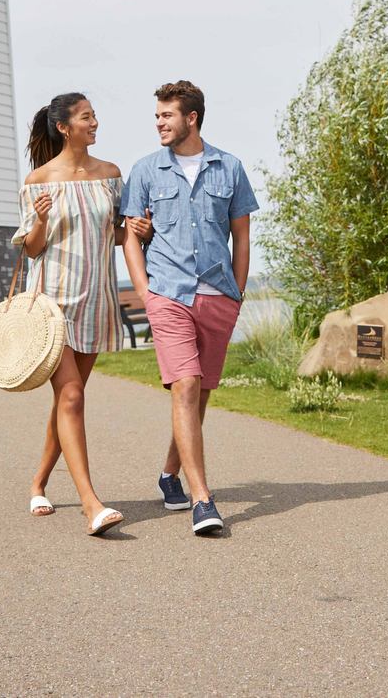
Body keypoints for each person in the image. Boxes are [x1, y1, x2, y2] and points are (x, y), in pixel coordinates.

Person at [120, 79, 258, 535]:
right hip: (168, 293)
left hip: (218, 294)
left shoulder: (230, 168)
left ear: (191, 118)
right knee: (186, 385)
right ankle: (203, 501)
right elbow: (130, 238)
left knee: (199, 395)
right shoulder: (144, 171)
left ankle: (169, 475)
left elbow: (242, 236)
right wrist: (144, 292)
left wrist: (237, 293)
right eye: (157, 115)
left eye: (167, 115)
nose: (159, 123)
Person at [13, 92, 150, 536]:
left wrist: (136, 230)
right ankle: (92, 505)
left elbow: (113, 235)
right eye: (87, 117)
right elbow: (32, 248)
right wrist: (38, 220)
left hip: (97, 300)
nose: (95, 123)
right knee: (71, 397)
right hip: (54, 303)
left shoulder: (110, 175)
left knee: (66, 400)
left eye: (94, 116)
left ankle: (38, 481)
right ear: (64, 127)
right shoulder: (39, 180)